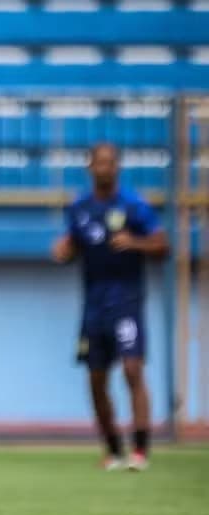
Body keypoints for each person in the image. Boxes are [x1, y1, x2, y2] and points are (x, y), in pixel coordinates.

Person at [51, 142, 168, 472]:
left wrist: (136, 242)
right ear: (90, 167)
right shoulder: (79, 208)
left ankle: (141, 450)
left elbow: (163, 244)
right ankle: (114, 448)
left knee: (132, 369)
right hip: (93, 304)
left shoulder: (133, 205)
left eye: (110, 162)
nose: (105, 168)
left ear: (117, 167)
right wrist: (64, 251)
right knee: (96, 379)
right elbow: (72, 245)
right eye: (99, 163)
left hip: (126, 299)